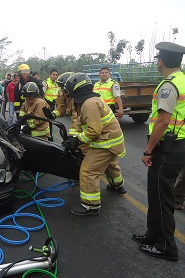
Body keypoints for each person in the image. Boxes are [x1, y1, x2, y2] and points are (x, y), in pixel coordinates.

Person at [133, 42, 185, 262]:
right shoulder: (182, 80)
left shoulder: (169, 85)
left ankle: (166, 246)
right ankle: (152, 234)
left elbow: (162, 122)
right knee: (155, 193)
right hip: (179, 143)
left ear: (161, 61)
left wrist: (148, 150)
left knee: (162, 197)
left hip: (168, 147)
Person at [62, 73, 126, 216]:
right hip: (111, 141)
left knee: (88, 170)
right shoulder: (89, 101)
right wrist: (72, 137)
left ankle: (91, 206)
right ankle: (118, 185)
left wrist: (77, 141)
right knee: (110, 164)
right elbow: (81, 123)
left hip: (105, 142)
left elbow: (94, 130)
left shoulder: (89, 104)